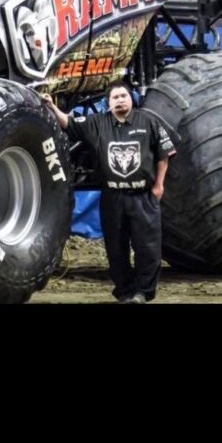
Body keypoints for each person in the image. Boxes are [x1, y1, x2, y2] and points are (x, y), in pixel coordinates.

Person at [43, 82, 177, 304]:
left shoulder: (149, 121)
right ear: (108, 103)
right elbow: (69, 123)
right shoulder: (97, 123)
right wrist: (51, 107)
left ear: (131, 98)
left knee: (148, 248)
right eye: (115, 97)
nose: (121, 100)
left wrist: (159, 185)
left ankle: (143, 292)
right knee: (116, 248)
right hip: (113, 198)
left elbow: (165, 154)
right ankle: (125, 292)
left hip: (142, 196)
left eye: (124, 96)